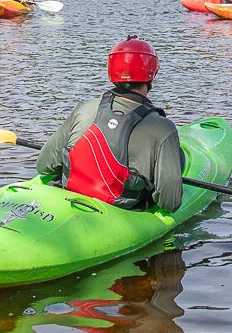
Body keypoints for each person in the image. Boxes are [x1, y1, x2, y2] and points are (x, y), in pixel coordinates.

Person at [35, 37, 183, 212]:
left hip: (70, 196)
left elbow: (44, 165)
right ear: (152, 73)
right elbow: (170, 202)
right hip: (119, 213)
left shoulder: (85, 108)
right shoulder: (163, 129)